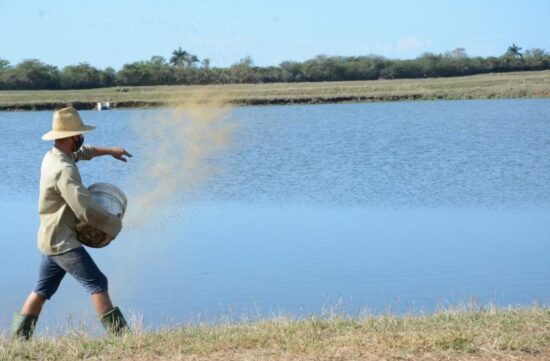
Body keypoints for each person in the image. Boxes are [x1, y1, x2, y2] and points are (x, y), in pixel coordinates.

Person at [11, 107, 133, 339]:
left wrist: (109, 151)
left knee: (42, 290)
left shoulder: (55, 155)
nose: (82, 137)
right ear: (71, 137)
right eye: (79, 134)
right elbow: (84, 207)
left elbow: (83, 152)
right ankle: (121, 338)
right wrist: (114, 224)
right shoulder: (63, 170)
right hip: (63, 241)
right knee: (97, 282)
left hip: (51, 237)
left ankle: (18, 340)